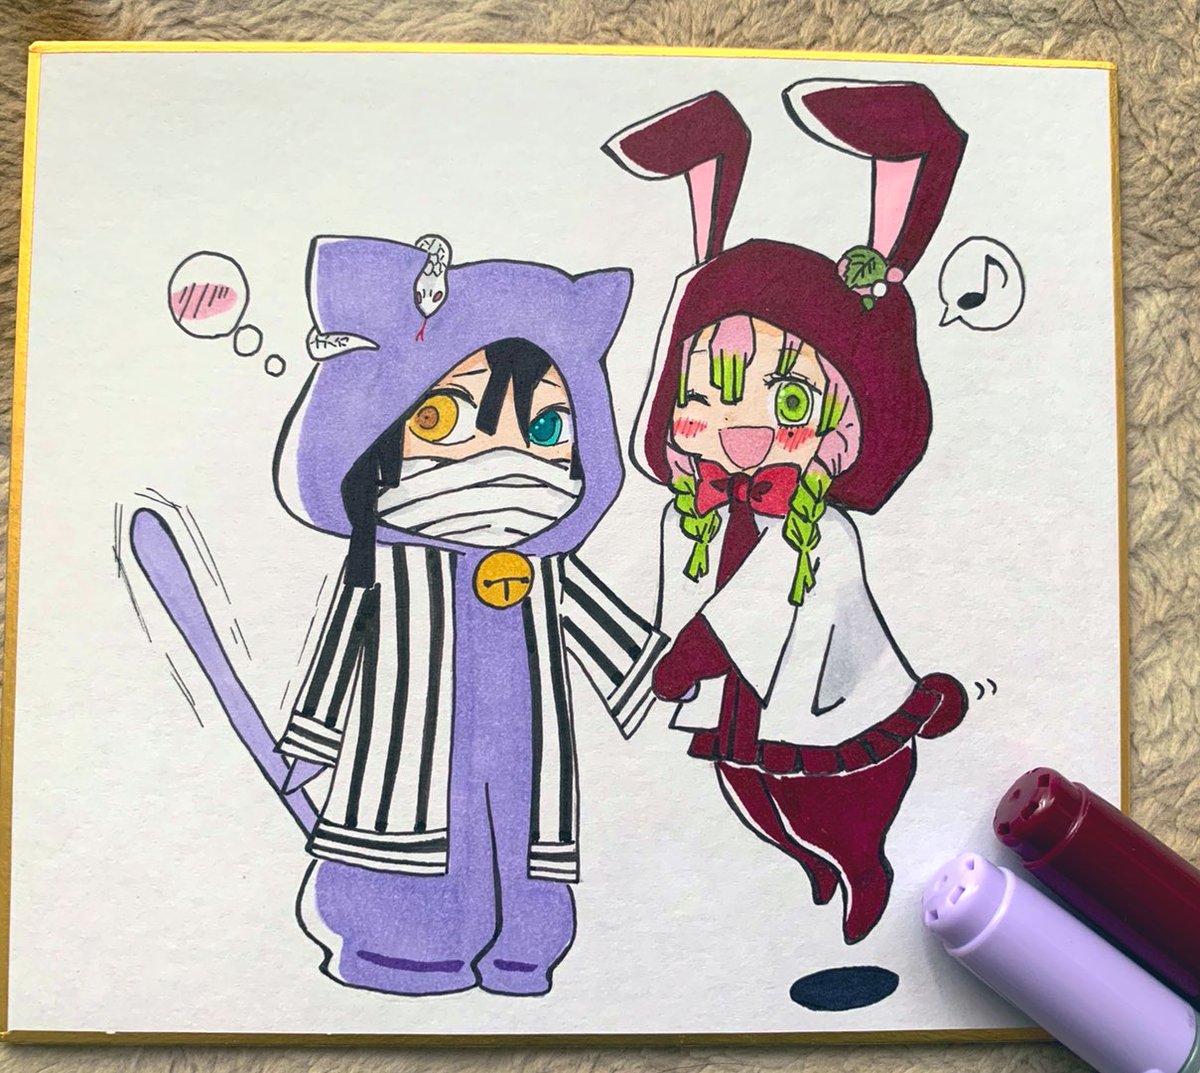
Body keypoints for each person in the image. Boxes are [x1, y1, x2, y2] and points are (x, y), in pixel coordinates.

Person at [603, 81, 969, 970]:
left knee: (825, 804)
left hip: (824, 713)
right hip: (742, 703)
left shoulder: (821, 531)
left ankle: (860, 866)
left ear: (847, 432)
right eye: (706, 394)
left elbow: (778, 602)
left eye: (791, 401)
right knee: (748, 792)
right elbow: (679, 593)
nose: (740, 427)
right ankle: (810, 864)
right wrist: (671, 652)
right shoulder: (691, 514)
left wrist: (694, 650)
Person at [273, 234, 666, 996]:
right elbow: (339, 650)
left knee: (521, 857)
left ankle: (522, 947)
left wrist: (674, 678)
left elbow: (611, 639)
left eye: (545, 429)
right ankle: (400, 946)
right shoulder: (384, 568)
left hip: (524, 771)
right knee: (406, 856)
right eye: (441, 421)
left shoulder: (541, 571)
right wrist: (312, 743)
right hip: (399, 772)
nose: (502, 459)